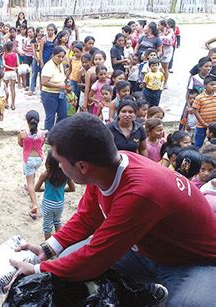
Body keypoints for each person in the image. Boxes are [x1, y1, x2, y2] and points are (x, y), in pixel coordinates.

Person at [11, 112, 216, 306]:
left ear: (82, 166)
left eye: (61, 162)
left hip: (193, 261)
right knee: (67, 259)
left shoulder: (140, 192)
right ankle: (146, 291)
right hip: (146, 249)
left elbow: (95, 257)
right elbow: (87, 217)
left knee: (190, 304)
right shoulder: (105, 166)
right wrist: (47, 249)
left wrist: (37, 269)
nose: (59, 168)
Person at [35, 152, 75, 239]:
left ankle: (49, 248)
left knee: (47, 227)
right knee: (57, 222)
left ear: (48, 162)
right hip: (59, 204)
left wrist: (45, 190)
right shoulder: (66, 174)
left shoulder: (45, 174)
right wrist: (62, 190)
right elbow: (72, 189)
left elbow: (36, 189)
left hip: (47, 204)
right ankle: (59, 242)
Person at [18, 110, 47, 220]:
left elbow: (21, 144)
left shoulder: (22, 133)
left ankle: (34, 204)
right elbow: (42, 144)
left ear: (27, 121)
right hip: (39, 159)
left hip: (28, 159)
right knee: (32, 175)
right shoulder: (42, 133)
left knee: (30, 182)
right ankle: (29, 188)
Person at [41, 47, 68, 130]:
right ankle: (48, 134)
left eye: (62, 57)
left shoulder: (60, 65)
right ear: (53, 55)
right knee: (50, 116)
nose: (60, 59)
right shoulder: (49, 66)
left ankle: (57, 133)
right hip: (50, 94)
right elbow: (44, 82)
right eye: (58, 56)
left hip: (61, 93)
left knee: (63, 114)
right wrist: (59, 86)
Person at [193, 75, 216, 147]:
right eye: (212, 84)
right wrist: (203, 124)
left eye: (215, 84)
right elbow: (195, 112)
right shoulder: (199, 98)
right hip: (201, 126)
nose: (214, 86)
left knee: (213, 143)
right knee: (198, 144)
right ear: (205, 85)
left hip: (214, 126)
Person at [2, 41, 19, 110]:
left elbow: (3, 65)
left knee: (5, 88)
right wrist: (13, 68)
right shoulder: (15, 55)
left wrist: (9, 67)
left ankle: (6, 102)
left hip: (6, 72)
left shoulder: (4, 55)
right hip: (13, 73)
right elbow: (18, 65)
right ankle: (13, 104)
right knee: (13, 88)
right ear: (12, 47)